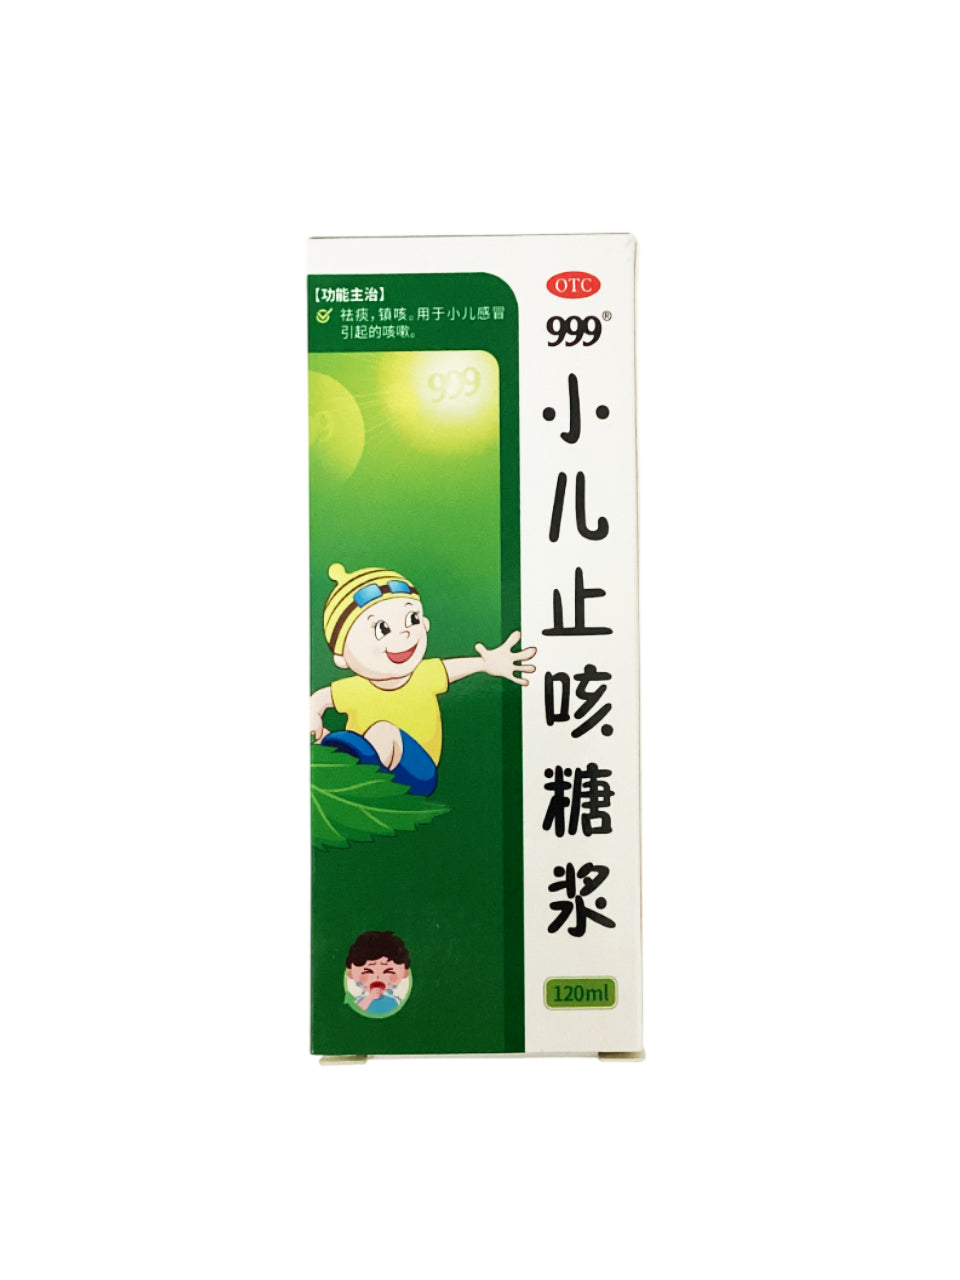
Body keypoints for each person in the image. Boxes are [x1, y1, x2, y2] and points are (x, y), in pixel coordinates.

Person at [310, 563, 536, 796]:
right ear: (341, 657)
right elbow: (318, 700)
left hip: (416, 772)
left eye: (412, 619)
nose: (404, 633)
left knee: (384, 732)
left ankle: (357, 778)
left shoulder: (425, 675)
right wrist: (312, 717)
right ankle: (347, 767)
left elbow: (452, 669)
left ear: (425, 623)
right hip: (368, 759)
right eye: (382, 628)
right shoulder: (354, 689)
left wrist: (486, 664)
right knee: (328, 739)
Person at [346, 931, 411, 1016]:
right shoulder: (361, 1000)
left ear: (405, 973)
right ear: (350, 973)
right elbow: (360, 1008)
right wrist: (370, 997)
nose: (377, 977)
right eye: (368, 971)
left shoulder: (394, 1001)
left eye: (388, 971)